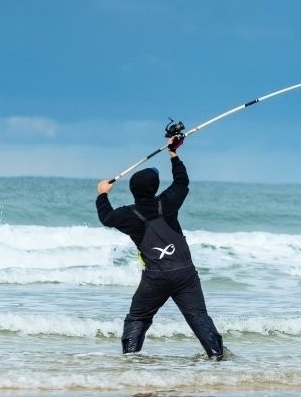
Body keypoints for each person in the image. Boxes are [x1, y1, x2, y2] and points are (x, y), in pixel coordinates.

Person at [96, 136, 224, 359]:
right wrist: (173, 154)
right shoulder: (167, 203)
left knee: (138, 318)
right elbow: (181, 182)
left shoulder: (128, 215)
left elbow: (106, 217)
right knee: (198, 317)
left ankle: (131, 360)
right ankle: (216, 357)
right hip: (185, 274)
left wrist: (102, 194)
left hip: (155, 278)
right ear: (154, 188)